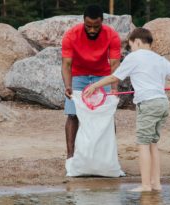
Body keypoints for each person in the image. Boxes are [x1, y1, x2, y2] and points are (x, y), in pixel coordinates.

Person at [84, 28, 170, 192]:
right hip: (162, 103)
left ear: (137, 42)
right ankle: (156, 184)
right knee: (153, 144)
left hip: (148, 104)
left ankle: (146, 186)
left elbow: (114, 77)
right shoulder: (159, 59)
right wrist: (167, 87)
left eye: (131, 46)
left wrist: (95, 85)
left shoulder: (134, 57)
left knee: (143, 144)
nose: (131, 49)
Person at [61, 4, 121, 159]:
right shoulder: (71, 35)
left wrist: (114, 88)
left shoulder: (112, 35)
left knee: (106, 116)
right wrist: (68, 86)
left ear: (102, 22)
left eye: (96, 26)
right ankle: (70, 156)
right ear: (83, 22)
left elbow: (114, 64)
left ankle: (108, 156)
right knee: (73, 114)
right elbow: (66, 64)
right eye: (89, 26)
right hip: (78, 76)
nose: (92, 30)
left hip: (103, 76)